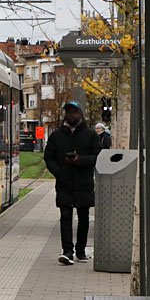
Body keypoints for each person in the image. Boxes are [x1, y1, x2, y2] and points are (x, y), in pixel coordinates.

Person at [44, 101, 103, 266]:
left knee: (83, 218)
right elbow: (49, 157)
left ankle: (81, 250)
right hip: (64, 183)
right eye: (68, 112)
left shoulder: (91, 135)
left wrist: (80, 160)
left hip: (84, 183)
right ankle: (67, 251)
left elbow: (97, 157)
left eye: (74, 112)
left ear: (81, 114)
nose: (71, 115)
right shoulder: (56, 135)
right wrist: (59, 172)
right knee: (65, 216)